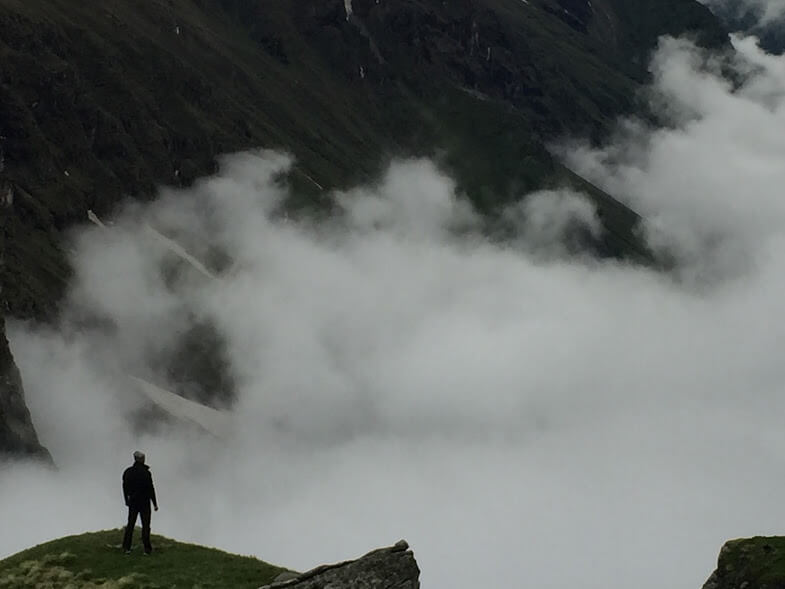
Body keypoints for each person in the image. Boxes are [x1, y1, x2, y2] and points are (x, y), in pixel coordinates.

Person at [122, 450, 159, 555]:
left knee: (131, 524)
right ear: (141, 460)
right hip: (144, 502)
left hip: (133, 502)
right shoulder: (146, 473)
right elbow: (150, 489)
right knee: (146, 525)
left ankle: (126, 547)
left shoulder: (128, 472)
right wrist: (155, 503)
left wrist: (126, 500)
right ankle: (147, 549)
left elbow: (125, 488)